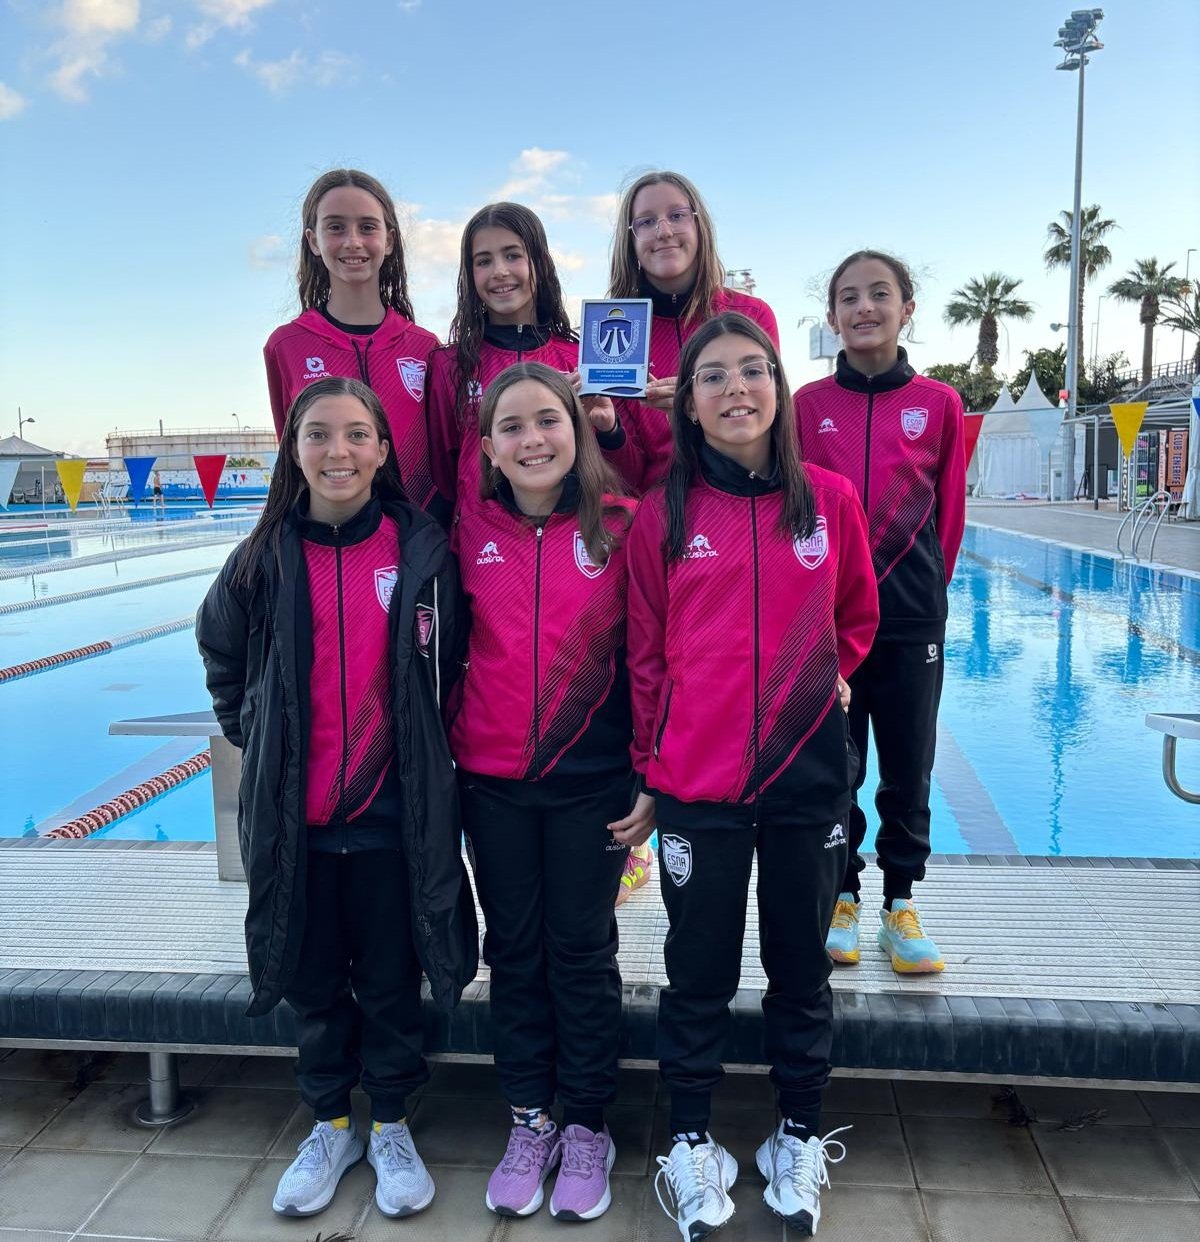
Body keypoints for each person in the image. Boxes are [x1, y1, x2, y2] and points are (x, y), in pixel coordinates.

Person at [618, 313, 878, 1238]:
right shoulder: (667, 511)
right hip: (700, 783)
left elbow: (856, 617)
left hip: (808, 778)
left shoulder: (832, 503)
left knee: (802, 966)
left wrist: (825, 683)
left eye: (753, 371)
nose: (737, 389)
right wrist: (655, 762)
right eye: (714, 376)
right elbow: (645, 651)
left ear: (778, 388)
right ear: (687, 403)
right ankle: (691, 1140)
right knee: (698, 969)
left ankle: (796, 1135)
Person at [195, 377, 477, 1221]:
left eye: (357, 435)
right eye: (319, 435)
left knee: (392, 984)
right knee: (313, 985)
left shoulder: (419, 551)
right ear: (294, 449)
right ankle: (330, 1123)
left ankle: (389, 1124)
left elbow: (451, 664)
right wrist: (257, 734)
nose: (339, 452)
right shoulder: (262, 558)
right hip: (301, 826)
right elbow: (221, 657)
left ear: (384, 450)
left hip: (394, 821)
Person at [450, 362, 636, 1222]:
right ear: (488, 448)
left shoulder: (624, 528)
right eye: (513, 427)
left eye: (547, 422)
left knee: (582, 951)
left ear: (578, 428)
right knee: (514, 953)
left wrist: (651, 772)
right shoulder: (466, 535)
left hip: (591, 786)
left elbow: (655, 663)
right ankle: (530, 1120)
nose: (532, 440)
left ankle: (589, 1125)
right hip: (491, 786)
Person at [794, 251, 965, 974]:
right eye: (849, 298)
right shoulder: (806, 406)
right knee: (838, 768)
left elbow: (949, 517)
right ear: (831, 317)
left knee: (907, 769)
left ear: (907, 308)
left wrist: (923, 598)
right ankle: (845, 898)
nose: (864, 308)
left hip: (910, 619)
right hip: (829, 626)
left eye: (880, 294)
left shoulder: (941, 402)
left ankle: (900, 903)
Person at [426, 202, 640, 517]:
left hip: (573, 545)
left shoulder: (582, 360)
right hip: (481, 548)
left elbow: (628, 478)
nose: (499, 271)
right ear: (470, 274)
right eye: (483, 261)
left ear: (540, 262)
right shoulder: (450, 365)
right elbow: (443, 478)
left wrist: (610, 431)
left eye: (513, 255)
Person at [263, 169, 442, 516]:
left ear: (389, 240)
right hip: (330, 546)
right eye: (335, 227)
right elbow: (294, 458)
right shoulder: (286, 346)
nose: (353, 241)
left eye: (367, 227)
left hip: (418, 546)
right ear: (313, 241)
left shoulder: (426, 348)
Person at [606, 170, 780, 490]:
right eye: (645, 222)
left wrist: (696, 404)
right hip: (657, 519)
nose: (663, 231)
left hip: (743, 505)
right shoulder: (616, 331)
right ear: (630, 241)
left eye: (677, 215)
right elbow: (628, 478)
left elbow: (772, 433)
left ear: (699, 226)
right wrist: (607, 430)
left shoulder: (752, 315)